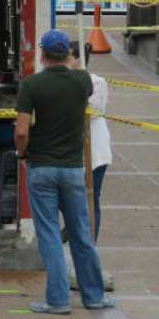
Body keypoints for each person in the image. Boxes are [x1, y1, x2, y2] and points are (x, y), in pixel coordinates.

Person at [15, 29, 115, 314]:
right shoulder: (82, 81)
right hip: (73, 169)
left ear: (43, 54)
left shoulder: (32, 85)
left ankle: (58, 300)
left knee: (49, 235)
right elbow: (74, 70)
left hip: (41, 168)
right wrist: (71, 60)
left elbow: (22, 131)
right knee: (81, 233)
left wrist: (22, 153)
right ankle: (93, 296)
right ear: (68, 54)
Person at [68, 42, 112, 241]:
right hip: (72, 151)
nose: (65, 61)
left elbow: (93, 112)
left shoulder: (96, 82)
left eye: (68, 57)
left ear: (78, 59)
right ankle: (71, 233)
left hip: (96, 151)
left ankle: (90, 241)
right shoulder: (65, 81)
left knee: (91, 198)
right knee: (70, 198)